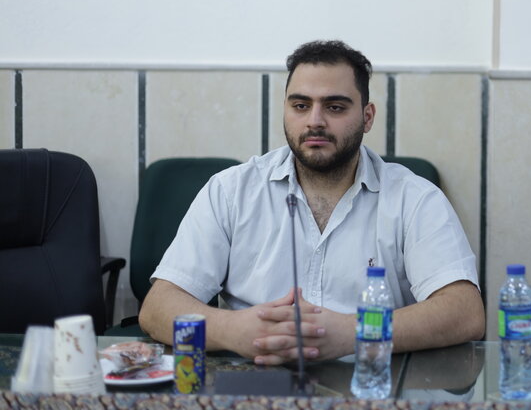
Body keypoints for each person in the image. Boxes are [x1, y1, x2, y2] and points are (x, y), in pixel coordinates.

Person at [139, 40, 484, 364]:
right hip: (254, 380)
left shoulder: (415, 198)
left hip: (371, 382)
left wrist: (354, 332)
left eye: (335, 107)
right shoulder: (231, 191)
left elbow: (464, 312)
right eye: (301, 106)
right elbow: (157, 309)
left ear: (367, 117)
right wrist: (234, 330)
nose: (315, 121)